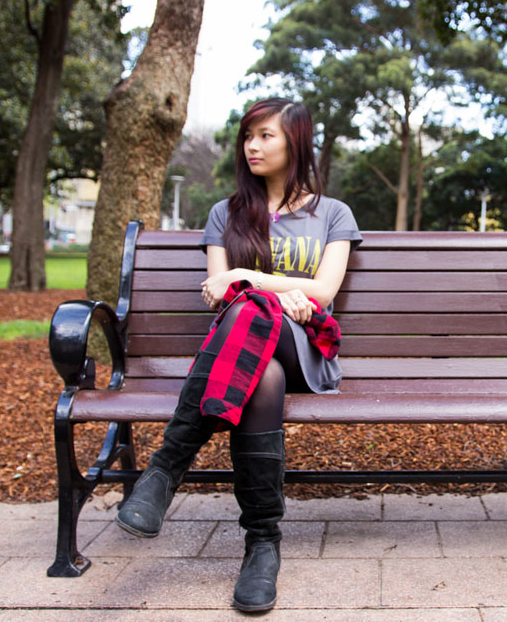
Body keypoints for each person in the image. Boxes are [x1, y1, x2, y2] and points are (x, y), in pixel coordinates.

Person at [115, 97, 362, 613]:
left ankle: (166, 469)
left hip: (307, 348)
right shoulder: (224, 213)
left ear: (296, 141)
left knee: (252, 306)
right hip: (250, 355)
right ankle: (262, 546)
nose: (252, 145)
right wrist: (272, 293)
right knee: (261, 364)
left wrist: (251, 280)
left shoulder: (333, 214)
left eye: (265, 135)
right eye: (248, 136)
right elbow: (217, 292)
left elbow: (322, 292)